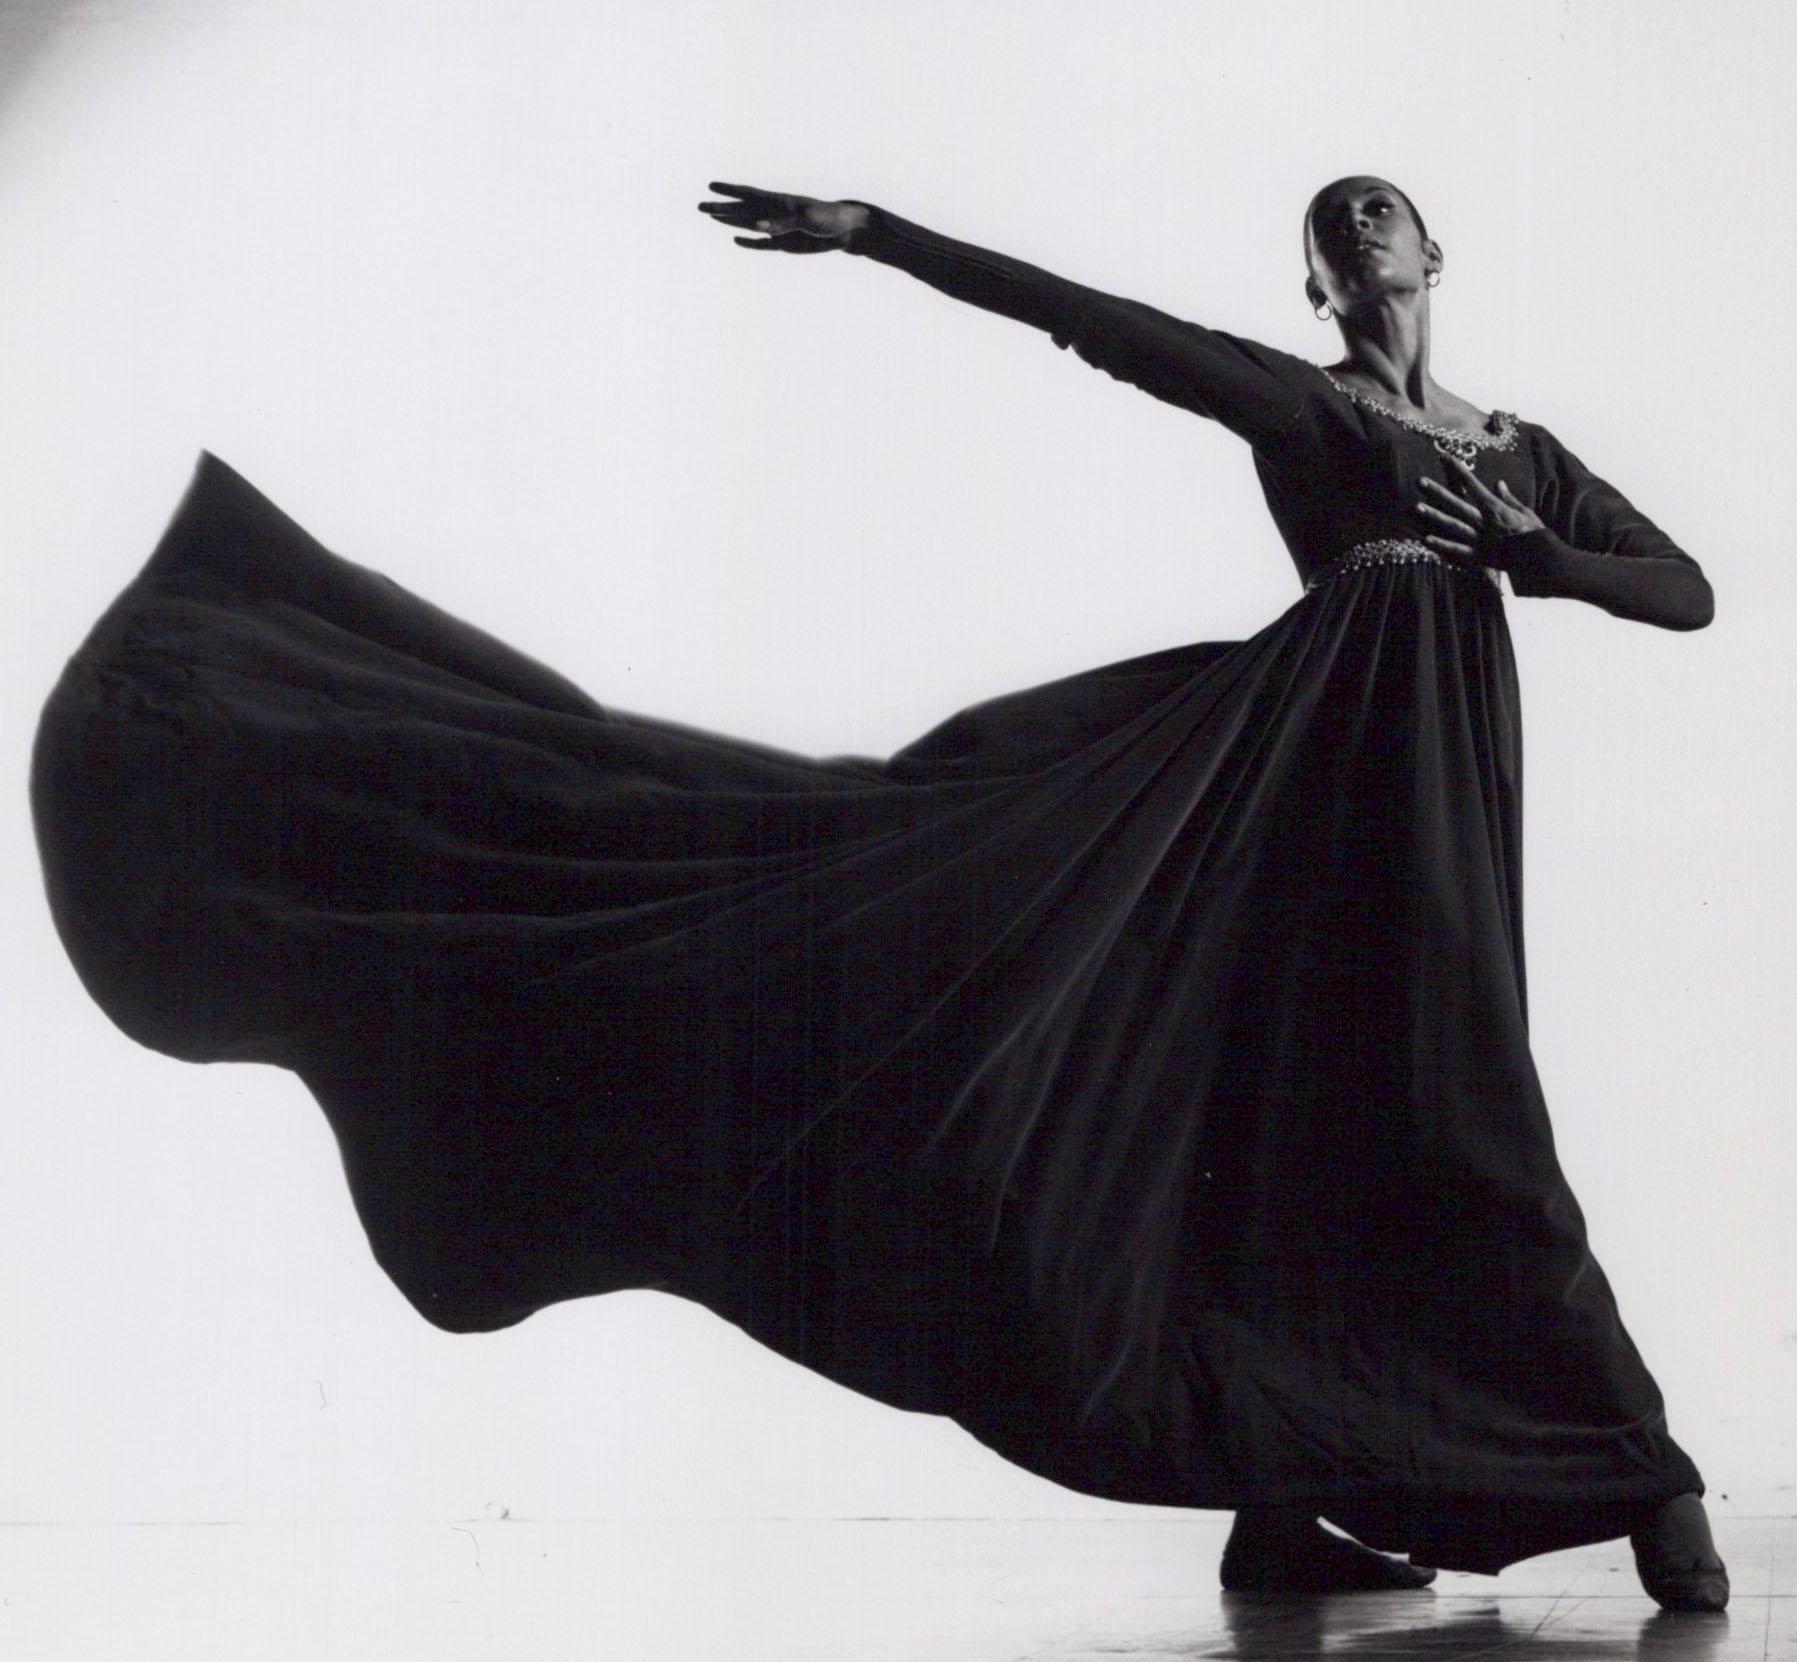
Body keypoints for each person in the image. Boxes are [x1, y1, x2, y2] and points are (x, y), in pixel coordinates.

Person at [29, 175, 1725, 1611]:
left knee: (1373, 1102)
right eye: (1334, 221)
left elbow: (1686, 589)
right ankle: (1617, 1467)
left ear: (1434, 260)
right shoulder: (1301, 405)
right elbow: (1082, 312)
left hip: (1431, 797)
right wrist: (875, 230)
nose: (1363, 227)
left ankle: (1289, 1501)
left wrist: (1537, 558)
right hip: (1285, 783)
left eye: (1389, 214)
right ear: (1315, 276)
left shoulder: (1517, 452)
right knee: (1291, 1097)